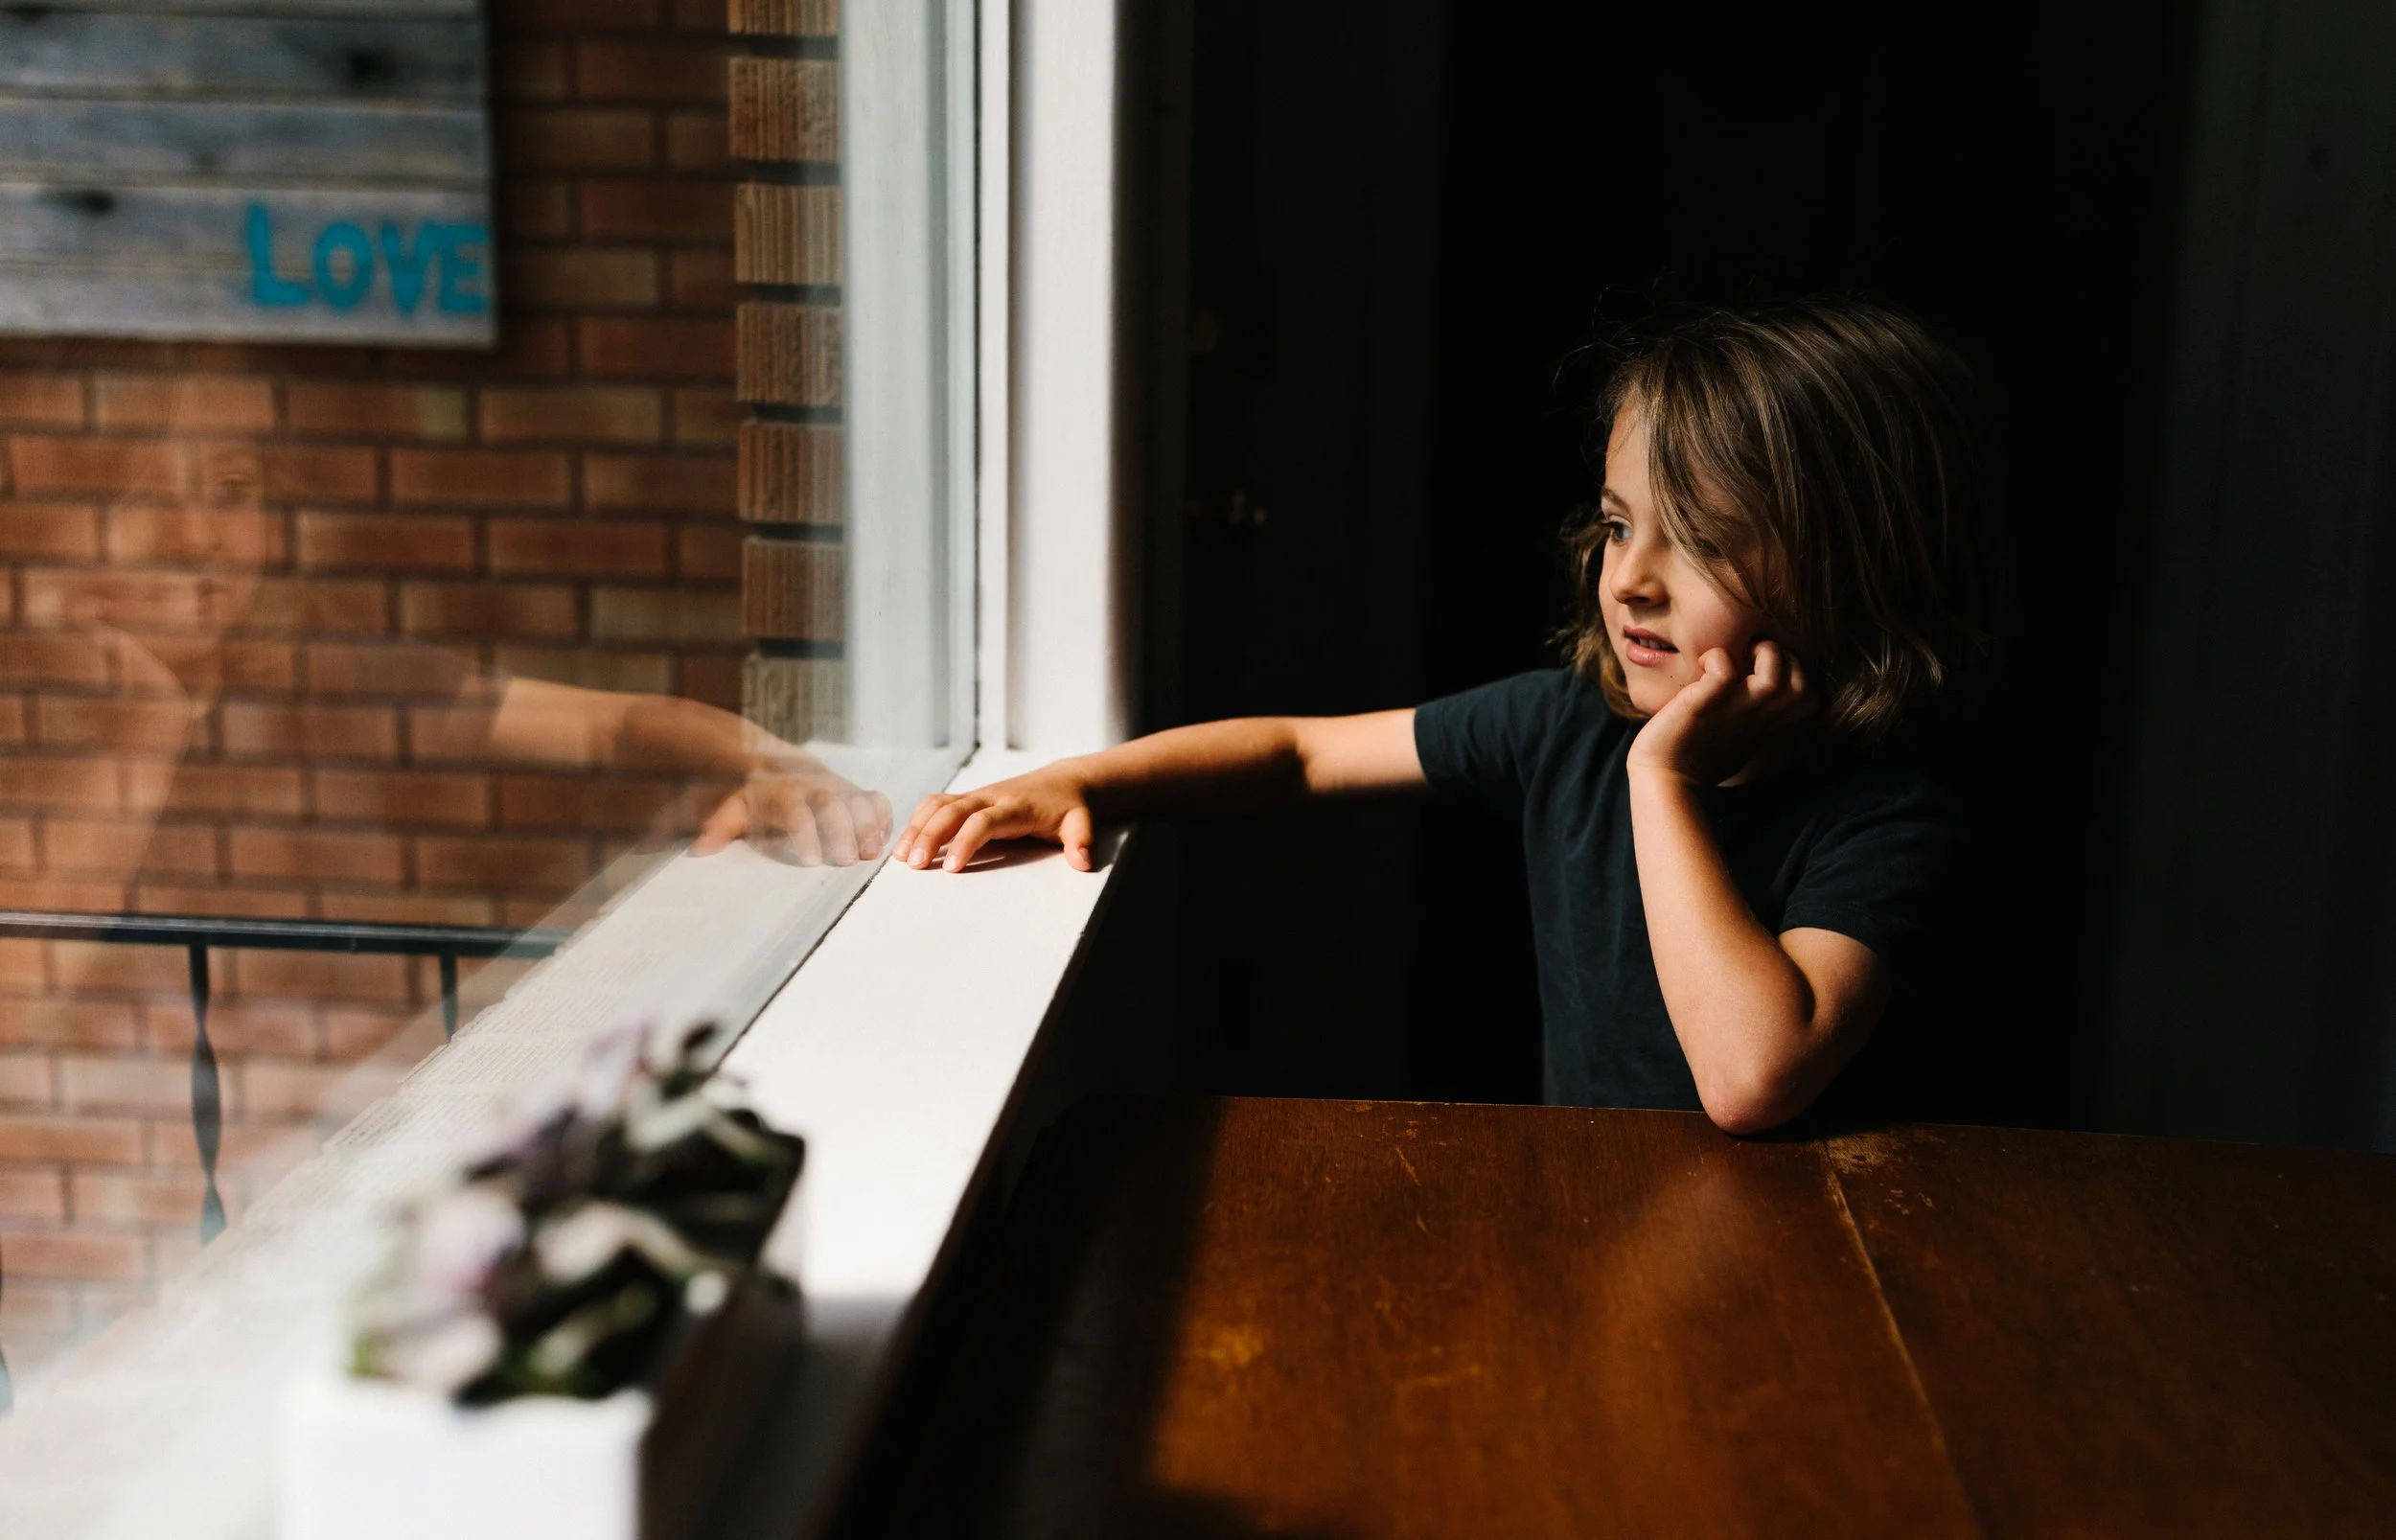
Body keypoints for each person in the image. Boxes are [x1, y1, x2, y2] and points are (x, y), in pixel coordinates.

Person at [895, 297, 2008, 1134]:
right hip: (1603, 1213)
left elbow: (1752, 1075)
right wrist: (1090, 779)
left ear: (1854, 569)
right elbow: (1298, 752)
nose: (1631, 579)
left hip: (1825, 1260)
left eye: (1704, 540)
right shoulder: (1566, 724)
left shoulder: (1887, 815)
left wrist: (1659, 783)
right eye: (1621, 525)